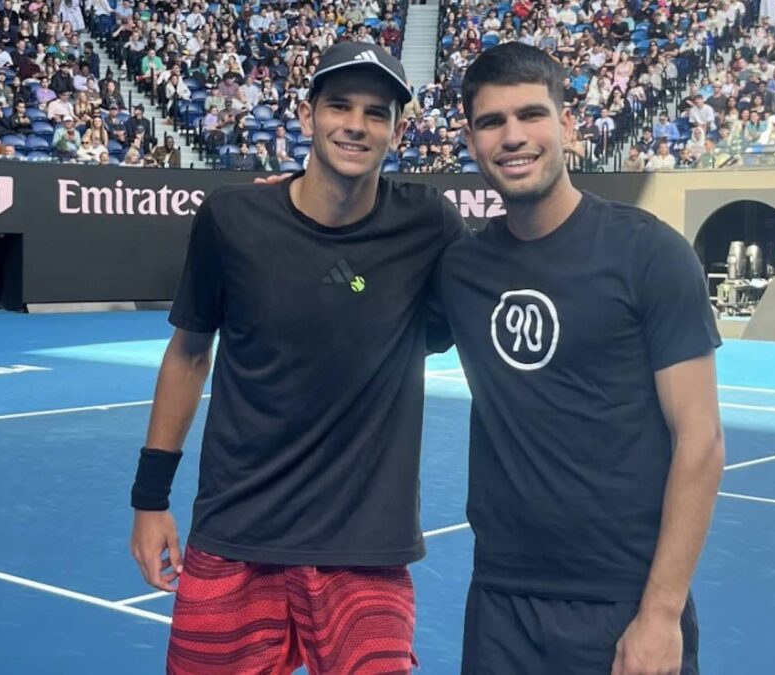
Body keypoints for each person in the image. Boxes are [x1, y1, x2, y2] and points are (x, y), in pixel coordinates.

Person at [128, 42, 465, 675]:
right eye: (339, 106)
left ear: (397, 131)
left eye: (376, 112)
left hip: (365, 546)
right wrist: (150, 500)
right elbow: (189, 355)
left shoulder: (429, 225)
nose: (356, 125)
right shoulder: (231, 218)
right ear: (308, 115)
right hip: (236, 532)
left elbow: (468, 318)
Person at [435, 43, 725, 674]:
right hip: (501, 602)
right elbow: (358, 292)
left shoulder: (649, 254)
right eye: (492, 122)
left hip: (623, 602)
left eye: (531, 114)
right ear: (471, 140)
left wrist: (661, 614)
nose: (513, 136)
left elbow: (700, 440)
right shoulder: (460, 269)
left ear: (567, 124)